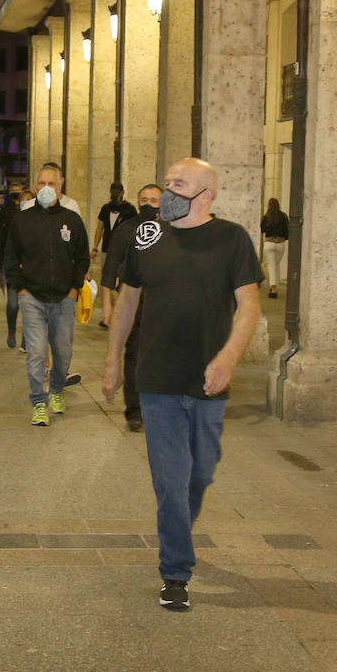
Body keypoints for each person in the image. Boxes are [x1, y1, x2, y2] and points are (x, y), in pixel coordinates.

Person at [102, 158, 261, 610]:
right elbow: (129, 299)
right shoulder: (147, 236)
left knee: (200, 473)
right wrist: (113, 360)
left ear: (205, 195)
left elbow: (249, 306)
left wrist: (229, 358)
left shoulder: (232, 239)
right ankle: (175, 570)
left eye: (178, 184)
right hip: (156, 378)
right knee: (171, 481)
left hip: (209, 381)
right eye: (167, 182)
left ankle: (178, 530)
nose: (167, 190)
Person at [4, 164, 89, 426]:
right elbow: (11, 257)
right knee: (37, 353)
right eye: (41, 183)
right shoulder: (23, 219)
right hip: (32, 297)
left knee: (63, 354)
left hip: (64, 299)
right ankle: (39, 403)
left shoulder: (72, 220)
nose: (45, 189)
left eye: (51, 183)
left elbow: (82, 258)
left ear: (61, 185)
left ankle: (57, 390)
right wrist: (22, 288)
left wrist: (74, 289)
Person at [101, 183, 162, 431]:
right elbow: (111, 266)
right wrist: (106, 304)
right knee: (134, 354)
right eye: (143, 199)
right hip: (134, 301)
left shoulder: (172, 230)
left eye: (154, 200)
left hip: (164, 304)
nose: (148, 204)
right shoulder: (126, 230)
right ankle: (134, 411)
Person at [92, 182, 137, 299]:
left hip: (123, 250)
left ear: (122, 193)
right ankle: (107, 301)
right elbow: (99, 228)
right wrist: (95, 247)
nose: (115, 195)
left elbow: (134, 230)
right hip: (106, 248)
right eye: (112, 192)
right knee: (106, 275)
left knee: (121, 275)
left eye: (117, 192)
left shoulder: (130, 210)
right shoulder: (105, 208)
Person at [0, 186, 22, 346]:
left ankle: (26, 339)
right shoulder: (6, 210)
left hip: (31, 267)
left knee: (31, 308)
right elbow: (0, 231)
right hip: (11, 264)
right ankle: (11, 331)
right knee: (13, 304)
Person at [260, 197, 289, 299]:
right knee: (276, 264)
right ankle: (274, 286)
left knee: (272, 265)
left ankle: (273, 288)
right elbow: (287, 230)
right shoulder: (283, 216)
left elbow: (262, 229)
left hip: (269, 244)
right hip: (280, 244)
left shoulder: (266, 216)